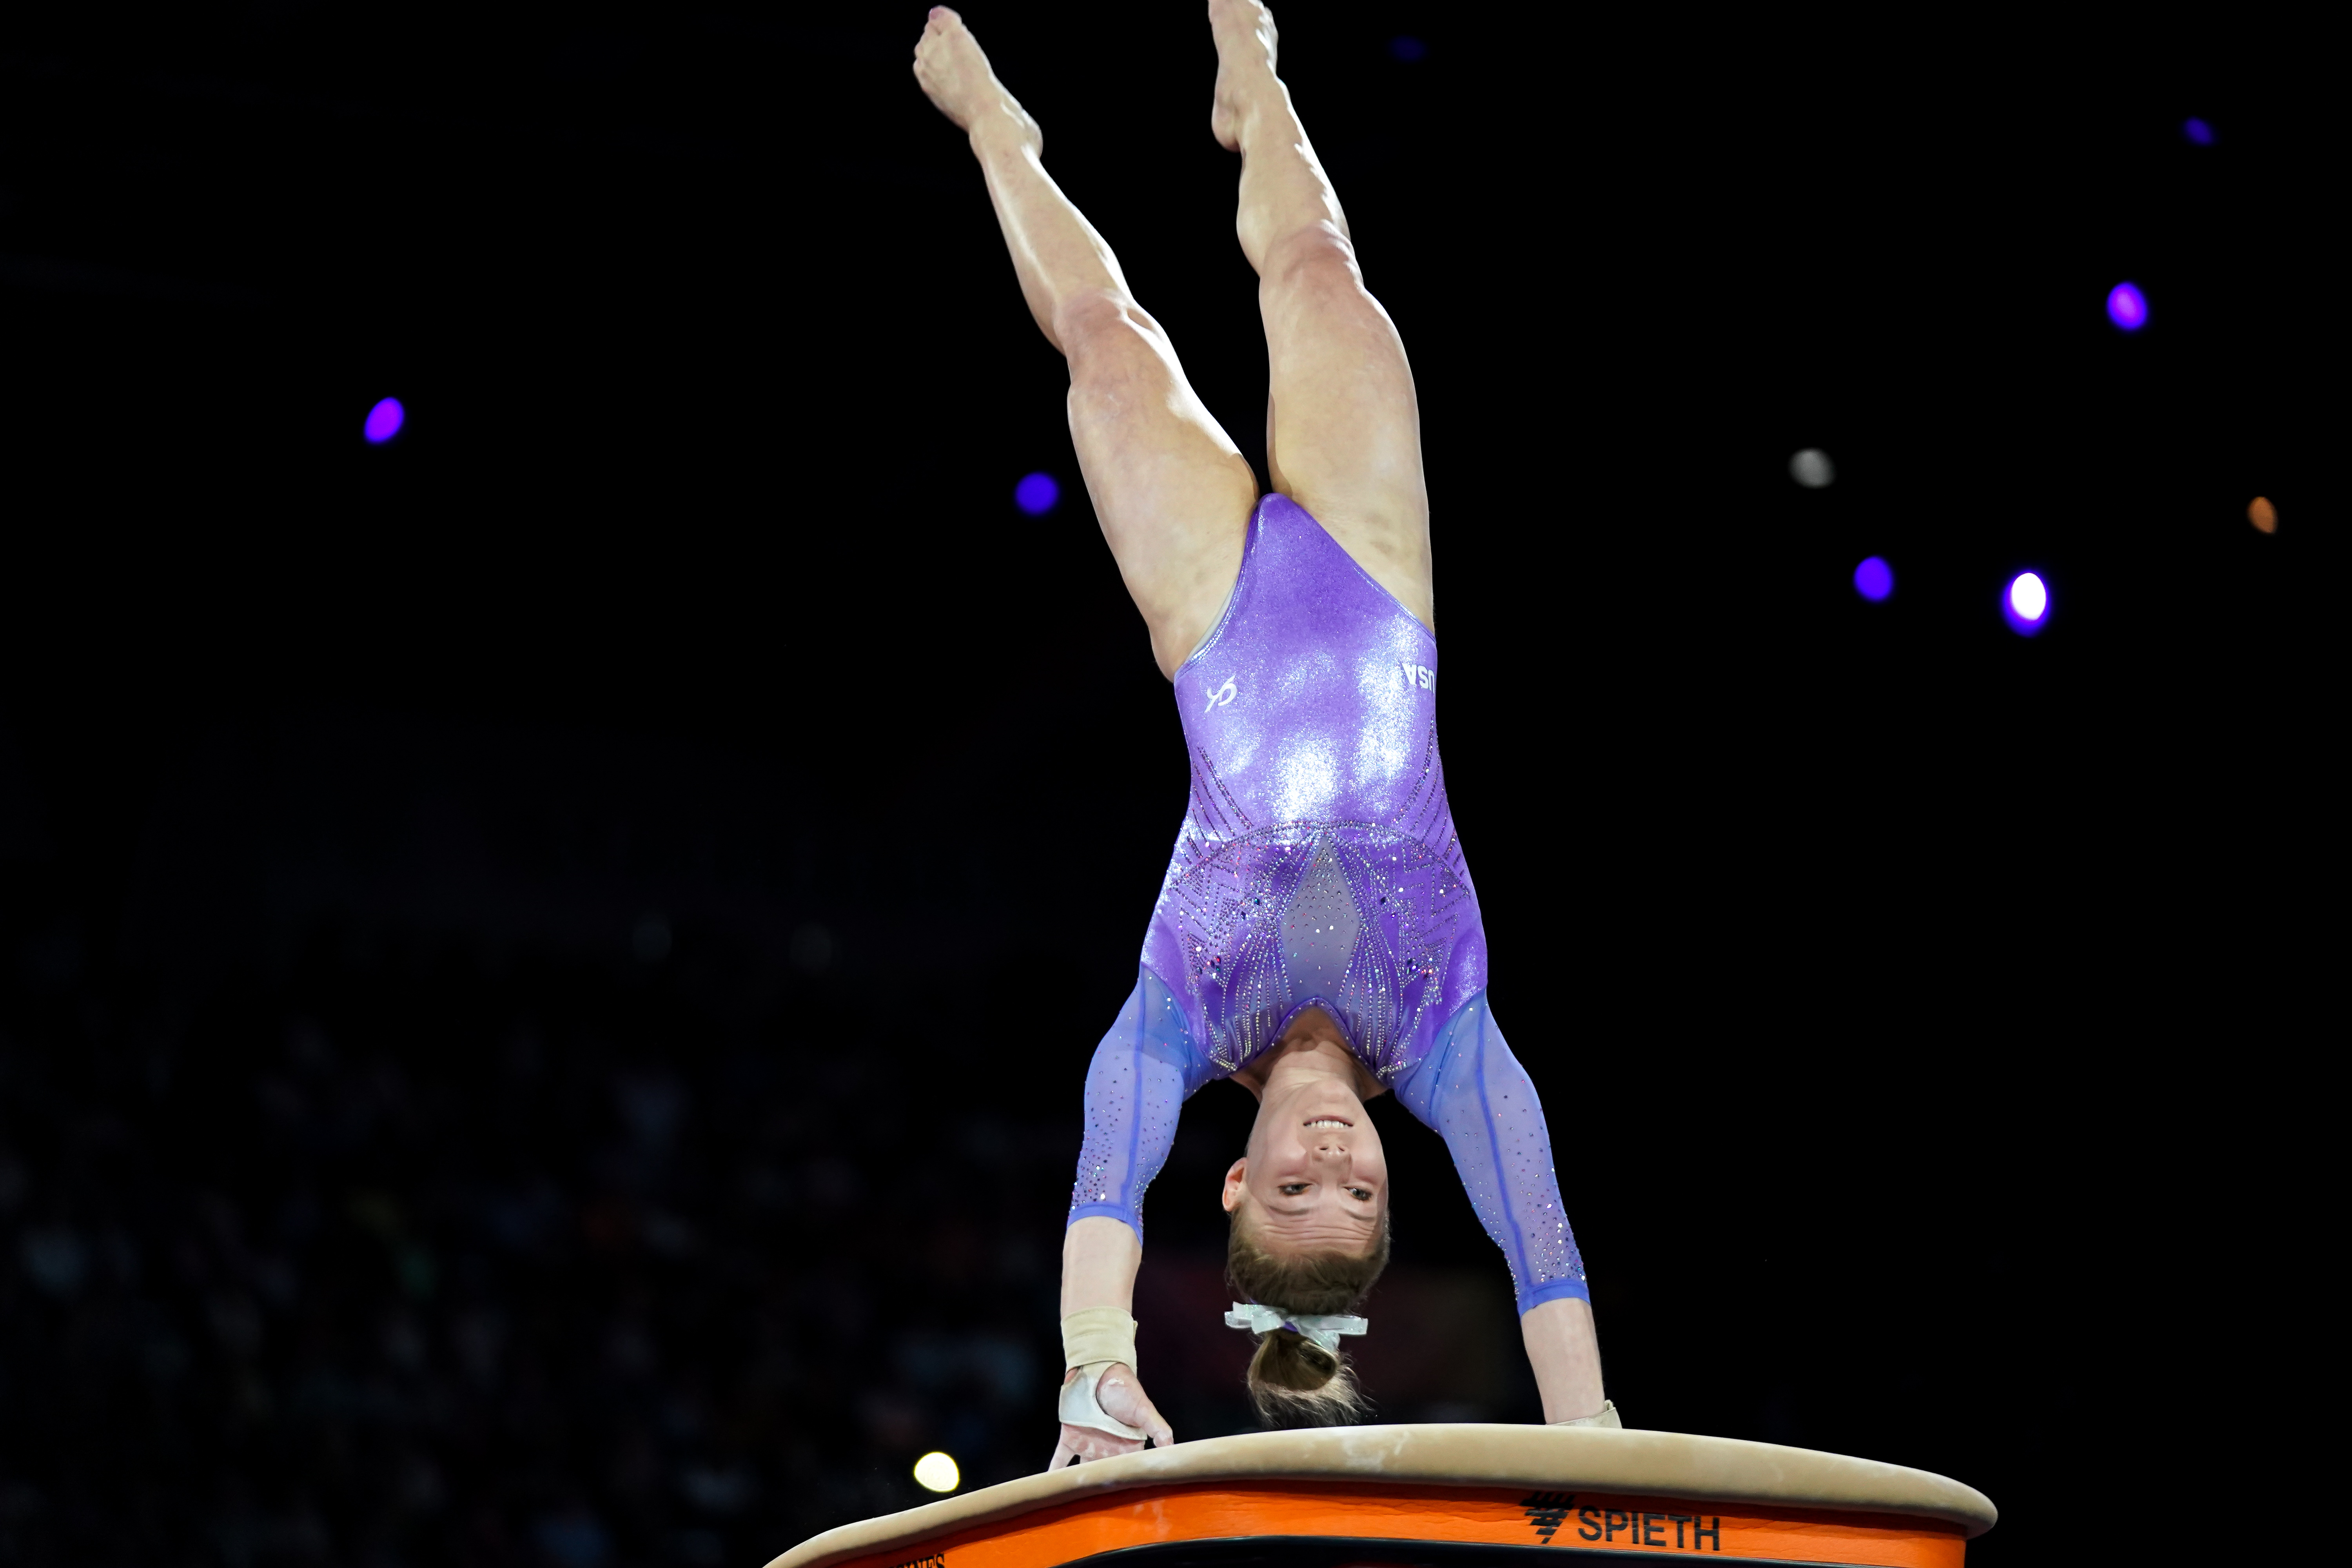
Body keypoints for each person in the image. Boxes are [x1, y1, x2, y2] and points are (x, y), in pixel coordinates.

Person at [912, 2, 1613, 1470]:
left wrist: (1096, 1368)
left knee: (1108, 347)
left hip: (1216, 619)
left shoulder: (1182, 1017)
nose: (1335, 1172)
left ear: (1232, 1184)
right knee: (1322, 278)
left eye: (1296, 1196)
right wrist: (1586, 1423)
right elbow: (1535, 1226)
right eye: (1359, 1201)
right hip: (1377, 584)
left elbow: (1108, 1156)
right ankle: (1261, 92)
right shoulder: (1443, 1036)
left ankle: (997, 130)